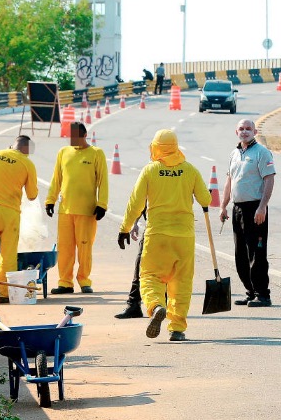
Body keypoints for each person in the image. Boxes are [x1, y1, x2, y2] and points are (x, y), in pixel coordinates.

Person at [117, 130, 211, 342]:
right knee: (181, 283)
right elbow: (205, 199)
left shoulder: (150, 170)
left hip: (157, 235)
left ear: (156, 147)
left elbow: (136, 203)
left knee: (150, 276)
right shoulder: (190, 170)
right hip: (184, 238)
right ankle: (176, 328)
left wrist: (124, 228)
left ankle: (156, 306)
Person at [45, 121, 108, 294]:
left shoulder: (96, 153)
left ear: (84, 135)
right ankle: (65, 282)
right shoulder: (63, 152)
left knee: (84, 248)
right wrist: (50, 200)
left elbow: (103, 181)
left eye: (76, 136)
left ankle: (84, 280)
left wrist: (102, 204)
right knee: (65, 249)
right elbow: (56, 178)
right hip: (65, 210)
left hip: (87, 211)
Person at [220, 119, 276, 307]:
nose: (245, 132)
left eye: (248, 129)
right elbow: (229, 181)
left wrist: (262, 207)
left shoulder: (261, 152)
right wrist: (223, 206)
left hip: (255, 209)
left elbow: (269, 179)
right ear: (236, 132)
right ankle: (250, 292)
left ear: (255, 131)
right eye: (241, 129)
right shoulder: (234, 154)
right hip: (238, 209)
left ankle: (262, 294)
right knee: (241, 254)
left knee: (257, 253)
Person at [0, 135, 38, 302]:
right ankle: (5, 294)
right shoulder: (27, 163)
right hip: (11, 214)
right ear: (27, 149)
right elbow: (32, 195)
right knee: (8, 255)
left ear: (13, 145)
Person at [114, 210, 146, 319]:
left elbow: (137, 201)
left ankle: (136, 305)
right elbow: (141, 201)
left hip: (158, 230)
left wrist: (125, 229)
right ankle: (135, 305)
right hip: (177, 231)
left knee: (142, 267)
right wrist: (135, 223)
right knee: (141, 267)